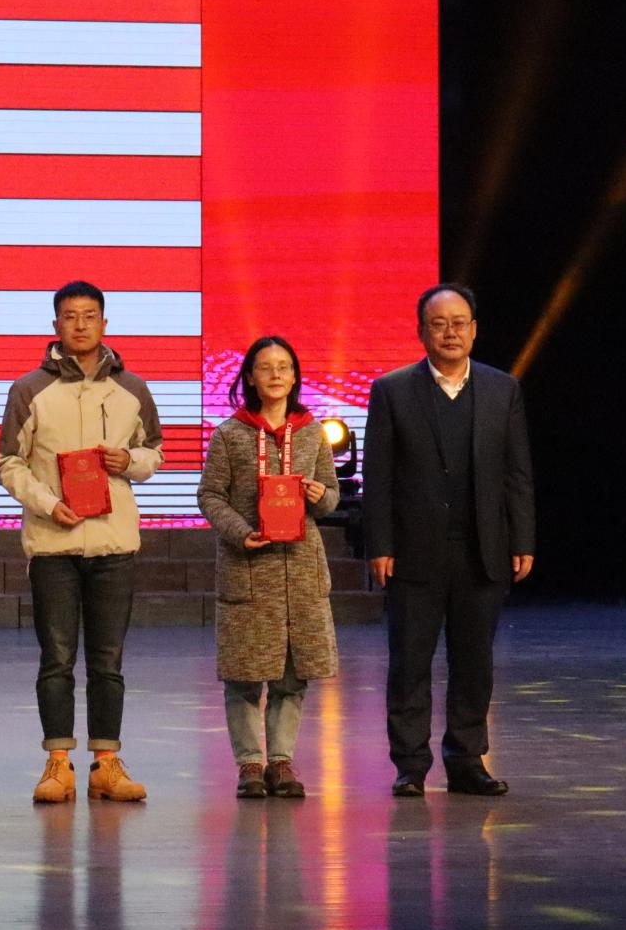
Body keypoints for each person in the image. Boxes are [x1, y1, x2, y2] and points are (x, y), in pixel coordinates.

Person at [0, 281, 164, 804]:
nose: (81, 324)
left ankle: (107, 764)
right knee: (57, 659)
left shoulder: (132, 388)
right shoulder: (29, 389)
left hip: (114, 543)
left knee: (108, 660)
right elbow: (8, 462)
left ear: (104, 324)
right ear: (56, 326)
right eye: (70, 316)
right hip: (53, 543)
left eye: (90, 315)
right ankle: (58, 763)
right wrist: (48, 504)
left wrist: (130, 461)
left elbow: (155, 453)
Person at [366, 284, 535, 797]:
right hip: (412, 552)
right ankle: (410, 766)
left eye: (459, 323)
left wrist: (523, 538)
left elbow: (517, 473)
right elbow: (379, 476)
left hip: (482, 549)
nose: (450, 332)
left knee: (474, 663)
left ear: (474, 330)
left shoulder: (502, 389)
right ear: (422, 332)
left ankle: (466, 760)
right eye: (438, 324)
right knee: (409, 663)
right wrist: (379, 545)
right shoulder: (392, 390)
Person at [197, 336, 340, 799]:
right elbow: (209, 495)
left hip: (300, 570)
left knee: (292, 675)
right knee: (244, 674)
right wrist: (240, 532)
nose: (276, 374)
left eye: (284, 366)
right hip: (248, 566)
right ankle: (249, 764)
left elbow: (332, 497)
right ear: (250, 378)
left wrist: (320, 495)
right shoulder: (229, 434)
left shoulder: (313, 432)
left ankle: (281, 761)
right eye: (265, 367)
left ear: (295, 376)